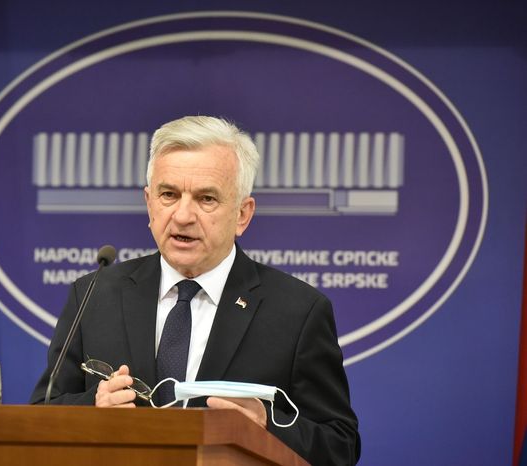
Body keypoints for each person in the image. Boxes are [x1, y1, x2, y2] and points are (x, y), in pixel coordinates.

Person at [30, 115, 361, 465]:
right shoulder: (95, 294)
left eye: (206, 198)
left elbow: (339, 444)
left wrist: (266, 424)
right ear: (149, 203)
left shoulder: (297, 312)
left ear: (242, 214)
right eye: (169, 195)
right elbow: (42, 413)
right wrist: (94, 408)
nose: (183, 215)